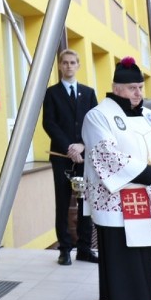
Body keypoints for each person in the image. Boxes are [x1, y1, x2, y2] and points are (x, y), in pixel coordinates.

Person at [82, 57, 151, 300]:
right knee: (132, 257)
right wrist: (150, 174)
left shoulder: (149, 116)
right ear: (116, 88)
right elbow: (106, 156)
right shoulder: (99, 115)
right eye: (132, 88)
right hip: (123, 201)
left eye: (140, 88)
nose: (138, 94)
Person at [42, 49, 99, 265]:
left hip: (84, 158)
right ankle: (64, 249)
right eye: (64, 62)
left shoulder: (88, 92)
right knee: (63, 202)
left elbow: (94, 124)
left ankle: (84, 248)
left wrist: (82, 146)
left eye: (72, 62)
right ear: (59, 65)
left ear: (78, 65)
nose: (68, 66)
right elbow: (49, 123)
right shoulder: (51, 93)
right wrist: (69, 148)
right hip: (61, 157)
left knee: (85, 202)